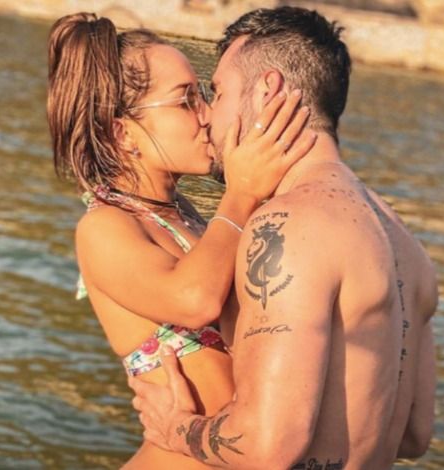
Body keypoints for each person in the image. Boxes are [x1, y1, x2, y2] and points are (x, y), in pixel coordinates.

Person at [129, 7, 438, 469]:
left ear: (267, 90)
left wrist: (174, 427)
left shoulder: (289, 225)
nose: (208, 116)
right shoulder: (404, 242)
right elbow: (413, 434)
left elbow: (267, 447)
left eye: (219, 92)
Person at [46, 13, 316, 469]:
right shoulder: (105, 226)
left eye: (204, 95)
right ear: (122, 133)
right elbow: (194, 300)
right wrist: (242, 192)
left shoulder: (187, 216)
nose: (207, 114)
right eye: (185, 100)